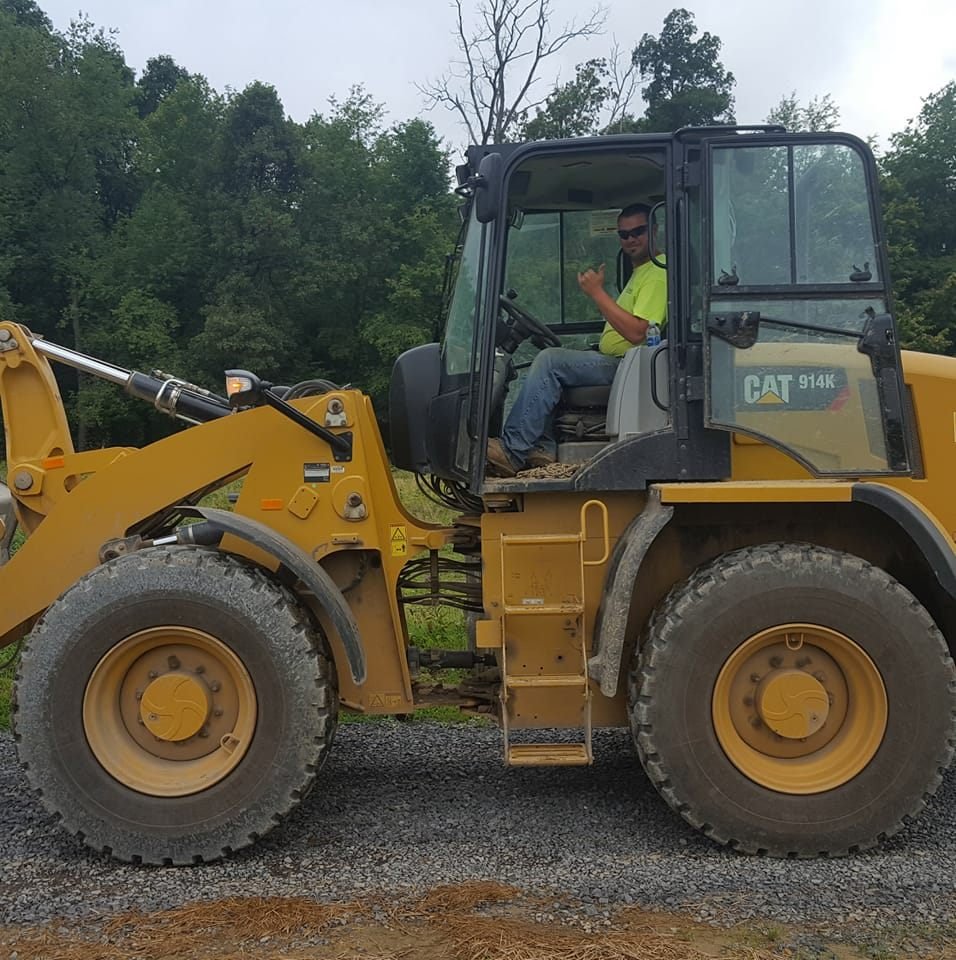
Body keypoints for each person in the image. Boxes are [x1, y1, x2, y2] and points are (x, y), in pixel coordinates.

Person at [486, 202, 667, 477]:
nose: (631, 239)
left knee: (550, 362)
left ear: (654, 231)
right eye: (624, 234)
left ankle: (512, 451)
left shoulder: (658, 271)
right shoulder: (642, 272)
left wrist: (597, 293)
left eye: (638, 231)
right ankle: (543, 449)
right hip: (622, 363)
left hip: (630, 367)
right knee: (555, 363)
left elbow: (637, 333)